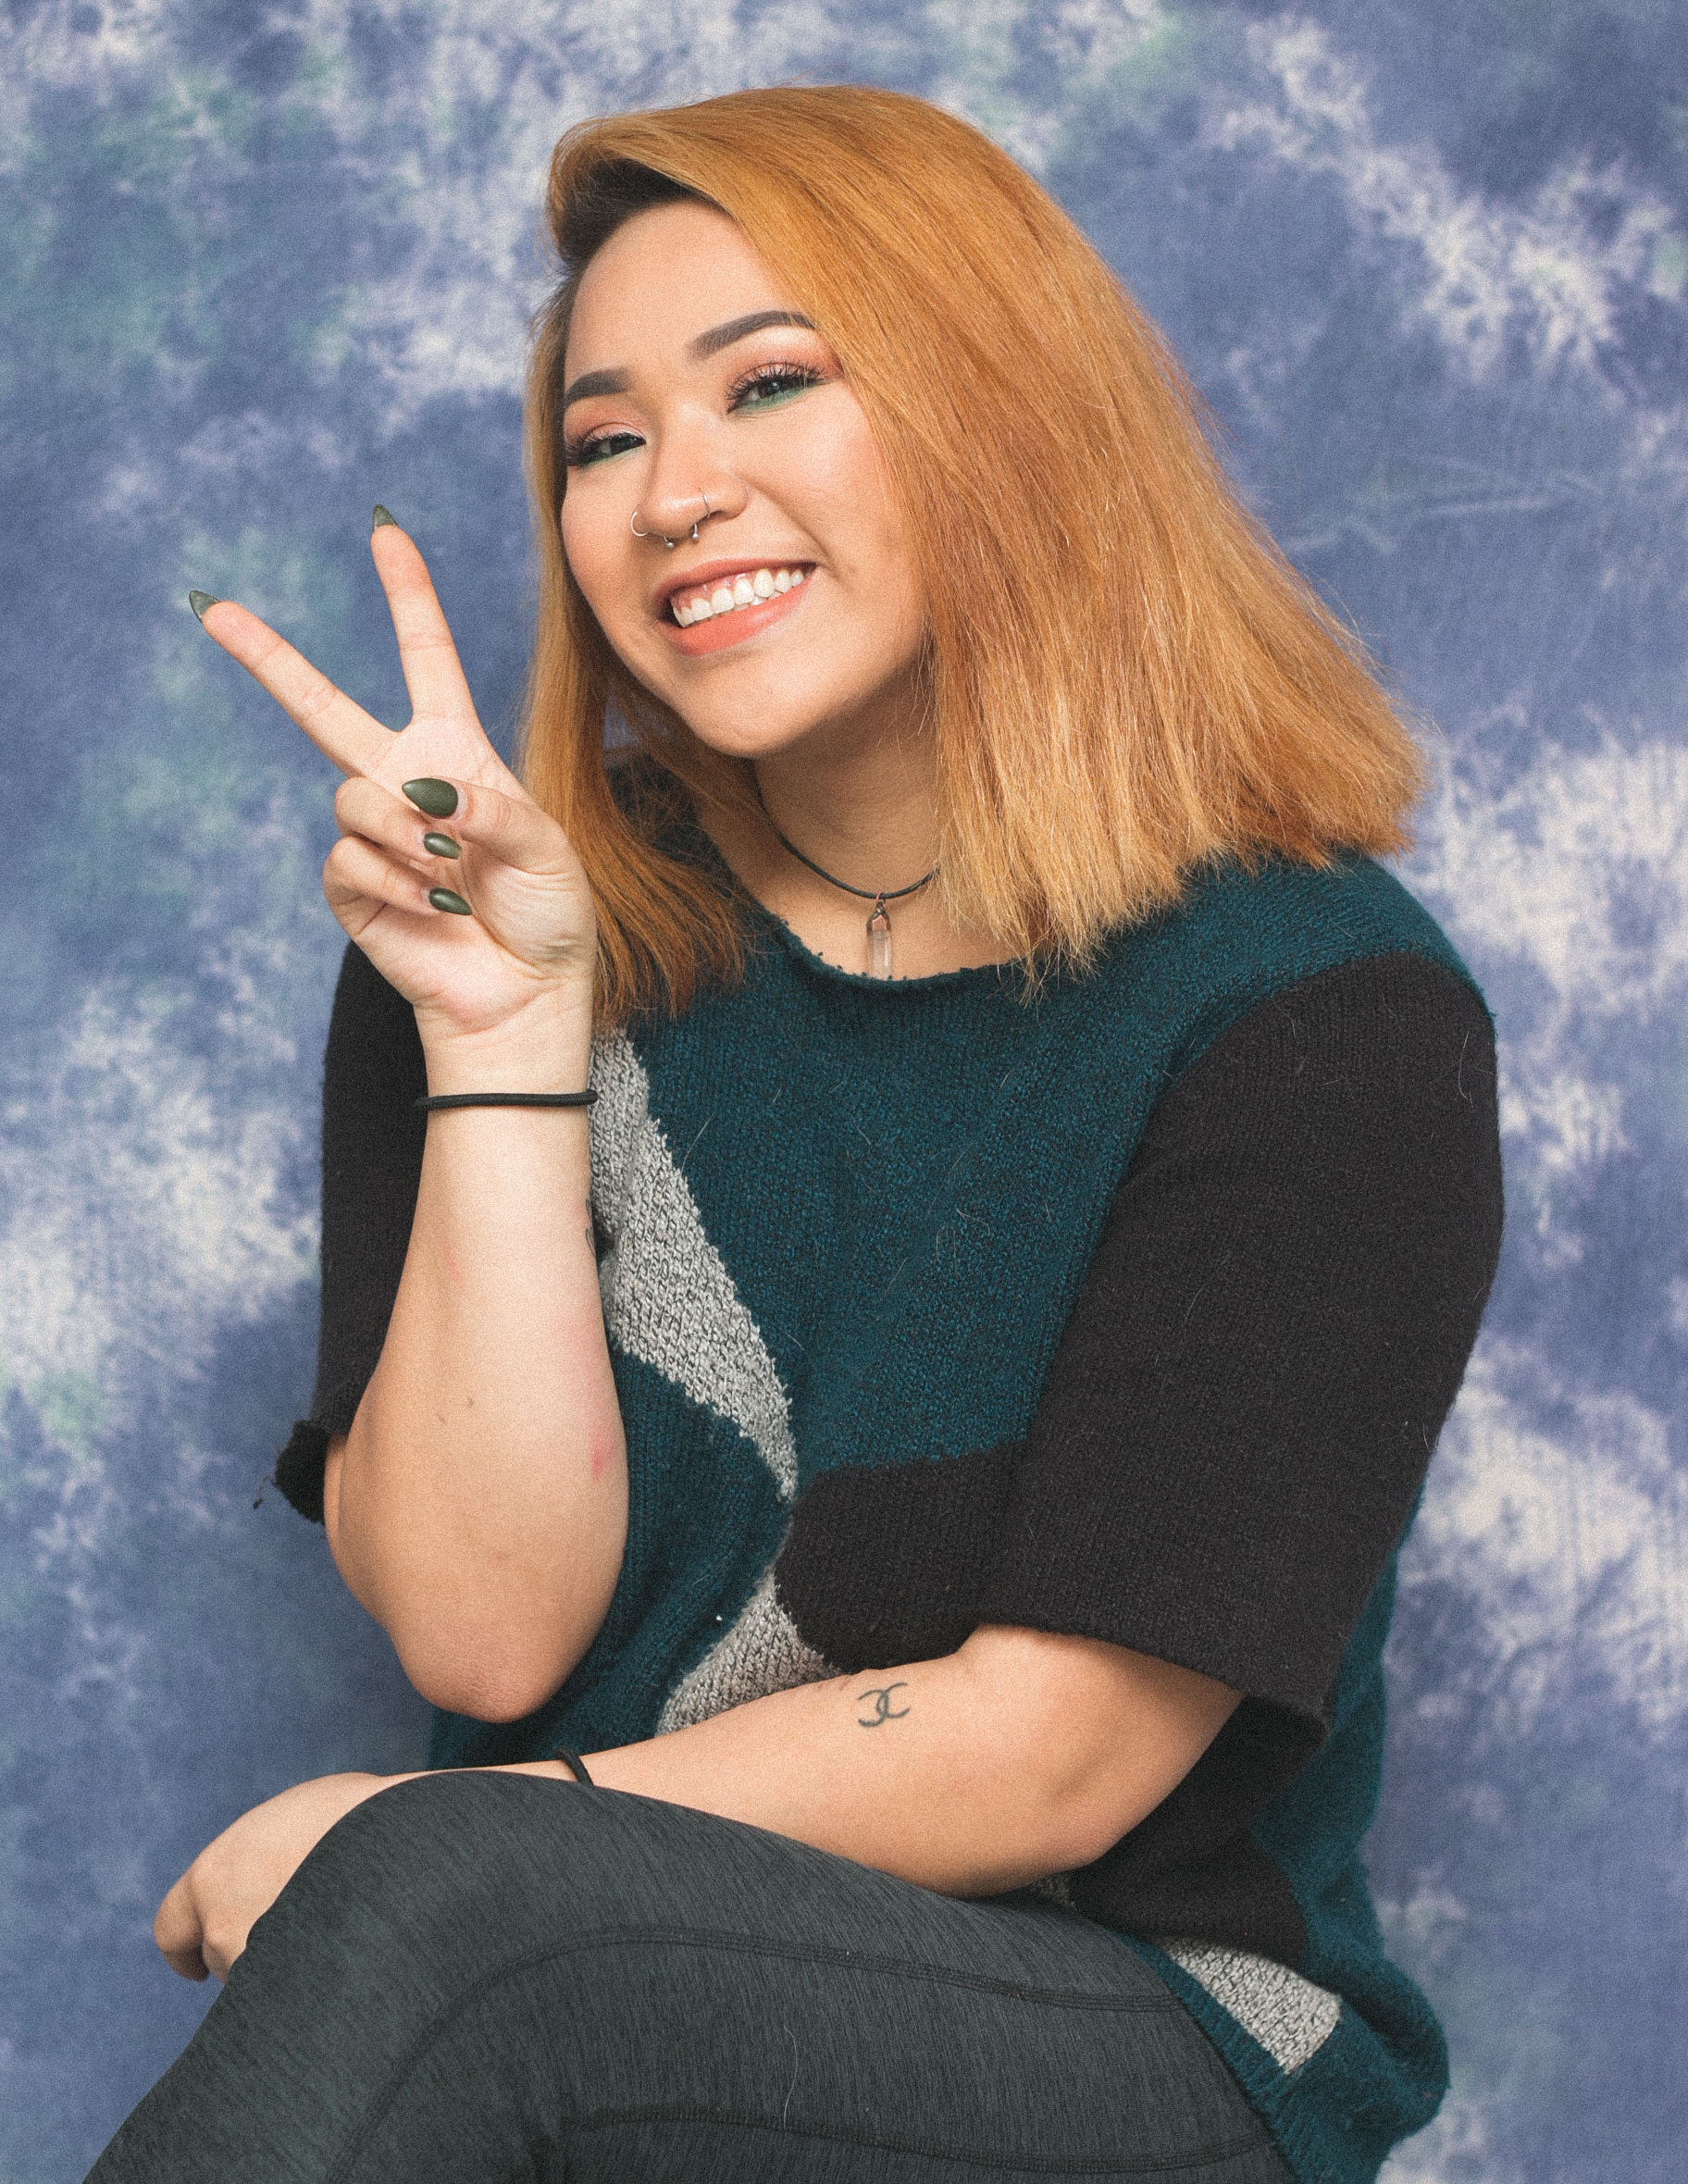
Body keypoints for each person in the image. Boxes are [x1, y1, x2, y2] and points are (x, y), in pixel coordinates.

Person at [90, 85, 1503, 2184]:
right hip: (564, 1973)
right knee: (464, 1910)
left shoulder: (1315, 1007)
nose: (676, 493)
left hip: (1141, 2021)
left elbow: (1056, 1753)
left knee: (453, 1901)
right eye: (603, 439)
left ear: (1005, 413)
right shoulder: (498, 917)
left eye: (770, 383)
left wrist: (442, 1838)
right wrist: (501, 1034)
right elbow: (487, 1639)